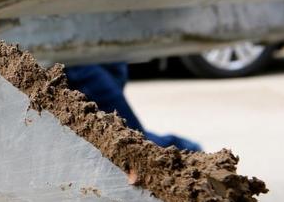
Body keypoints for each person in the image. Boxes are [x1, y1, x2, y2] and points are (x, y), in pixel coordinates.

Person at [64, 63, 201, 151]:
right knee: (127, 141)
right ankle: (188, 153)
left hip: (104, 52)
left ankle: (188, 154)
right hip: (77, 61)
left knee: (126, 139)